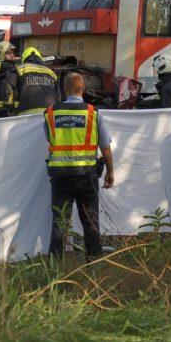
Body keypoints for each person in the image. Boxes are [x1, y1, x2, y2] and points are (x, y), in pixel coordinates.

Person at [45, 72, 114, 260]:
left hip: (60, 177)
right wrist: (110, 171)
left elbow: (49, 138)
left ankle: (54, 267)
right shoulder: (93, 113)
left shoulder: (50, 113)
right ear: (83, 89)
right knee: (90, 221)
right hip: (86, 176)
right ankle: (94, 263)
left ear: (65, 90)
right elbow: (105, 148)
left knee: (60, 223)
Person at [11, 47, 61, 115]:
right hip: (48, 114)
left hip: (24, 116)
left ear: (24, 59)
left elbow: (9, 87)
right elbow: (58, 96)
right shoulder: (51, 72)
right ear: (40, 58)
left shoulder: (20, 69)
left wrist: (9, 107)